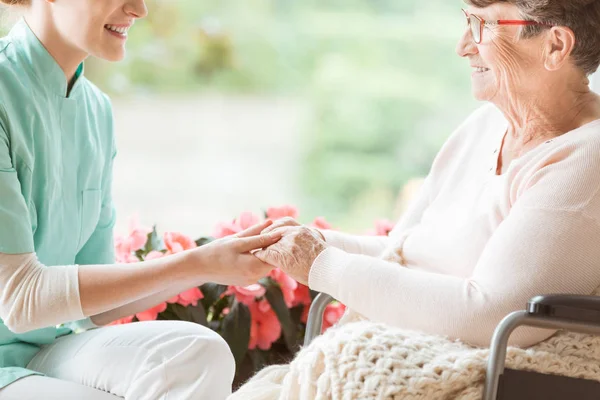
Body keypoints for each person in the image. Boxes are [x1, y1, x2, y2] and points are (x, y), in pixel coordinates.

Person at [256, 0, 600, 349]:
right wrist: (302, 245)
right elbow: (405, 253)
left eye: (482, 25)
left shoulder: (588, 156)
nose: (463, 46)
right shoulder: (485, 124)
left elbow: (490, 315)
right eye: (467, 22)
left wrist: (322, 263)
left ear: (555, 45)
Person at [0, 0, 281, 399]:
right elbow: (21, 299)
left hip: (45, 350)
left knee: (197, 352)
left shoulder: (96, 111)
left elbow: (96, 311)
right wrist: (194, 261)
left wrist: (217, 264)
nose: (139, 9)